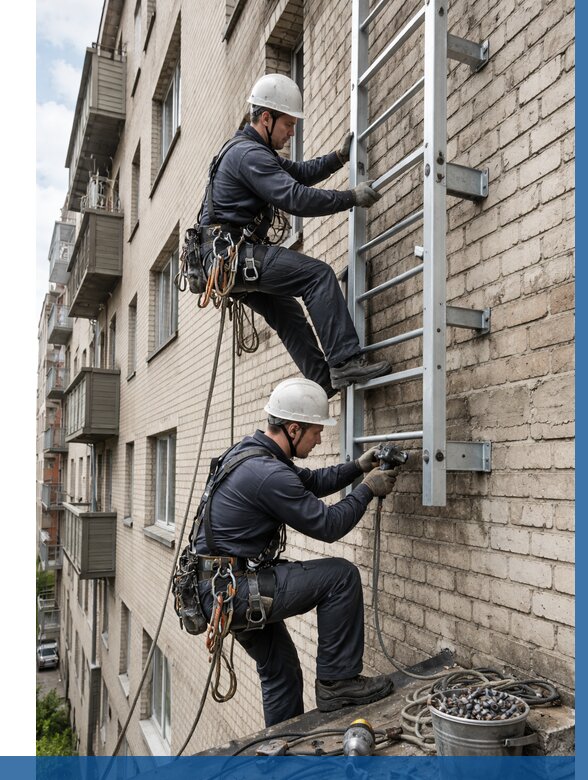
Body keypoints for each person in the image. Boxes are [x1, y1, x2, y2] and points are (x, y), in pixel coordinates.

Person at [195, 378, 398, 726]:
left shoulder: (253, 453)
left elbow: (312, 482)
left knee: (281, 671)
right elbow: (329, 526)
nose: (319, 439)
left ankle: (284, 747)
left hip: (220, 587)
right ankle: (338, 683)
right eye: (316, 432)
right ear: (293, 428)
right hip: (232, 590)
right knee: (341, 577)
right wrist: (367, 490)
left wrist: (357, 468)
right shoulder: (266, 473)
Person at [197, 73, 392, 396]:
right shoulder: (249, 155)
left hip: (224, 259)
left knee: (286, 312)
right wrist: (350, 198)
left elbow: (298, 174)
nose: (291, 133)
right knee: (317, 276)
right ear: (266, 118)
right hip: (230, 256)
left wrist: (337, 159)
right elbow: (296, 198)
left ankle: (323, 382)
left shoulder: (252, 150)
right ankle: (344, 361)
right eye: (288, 125)